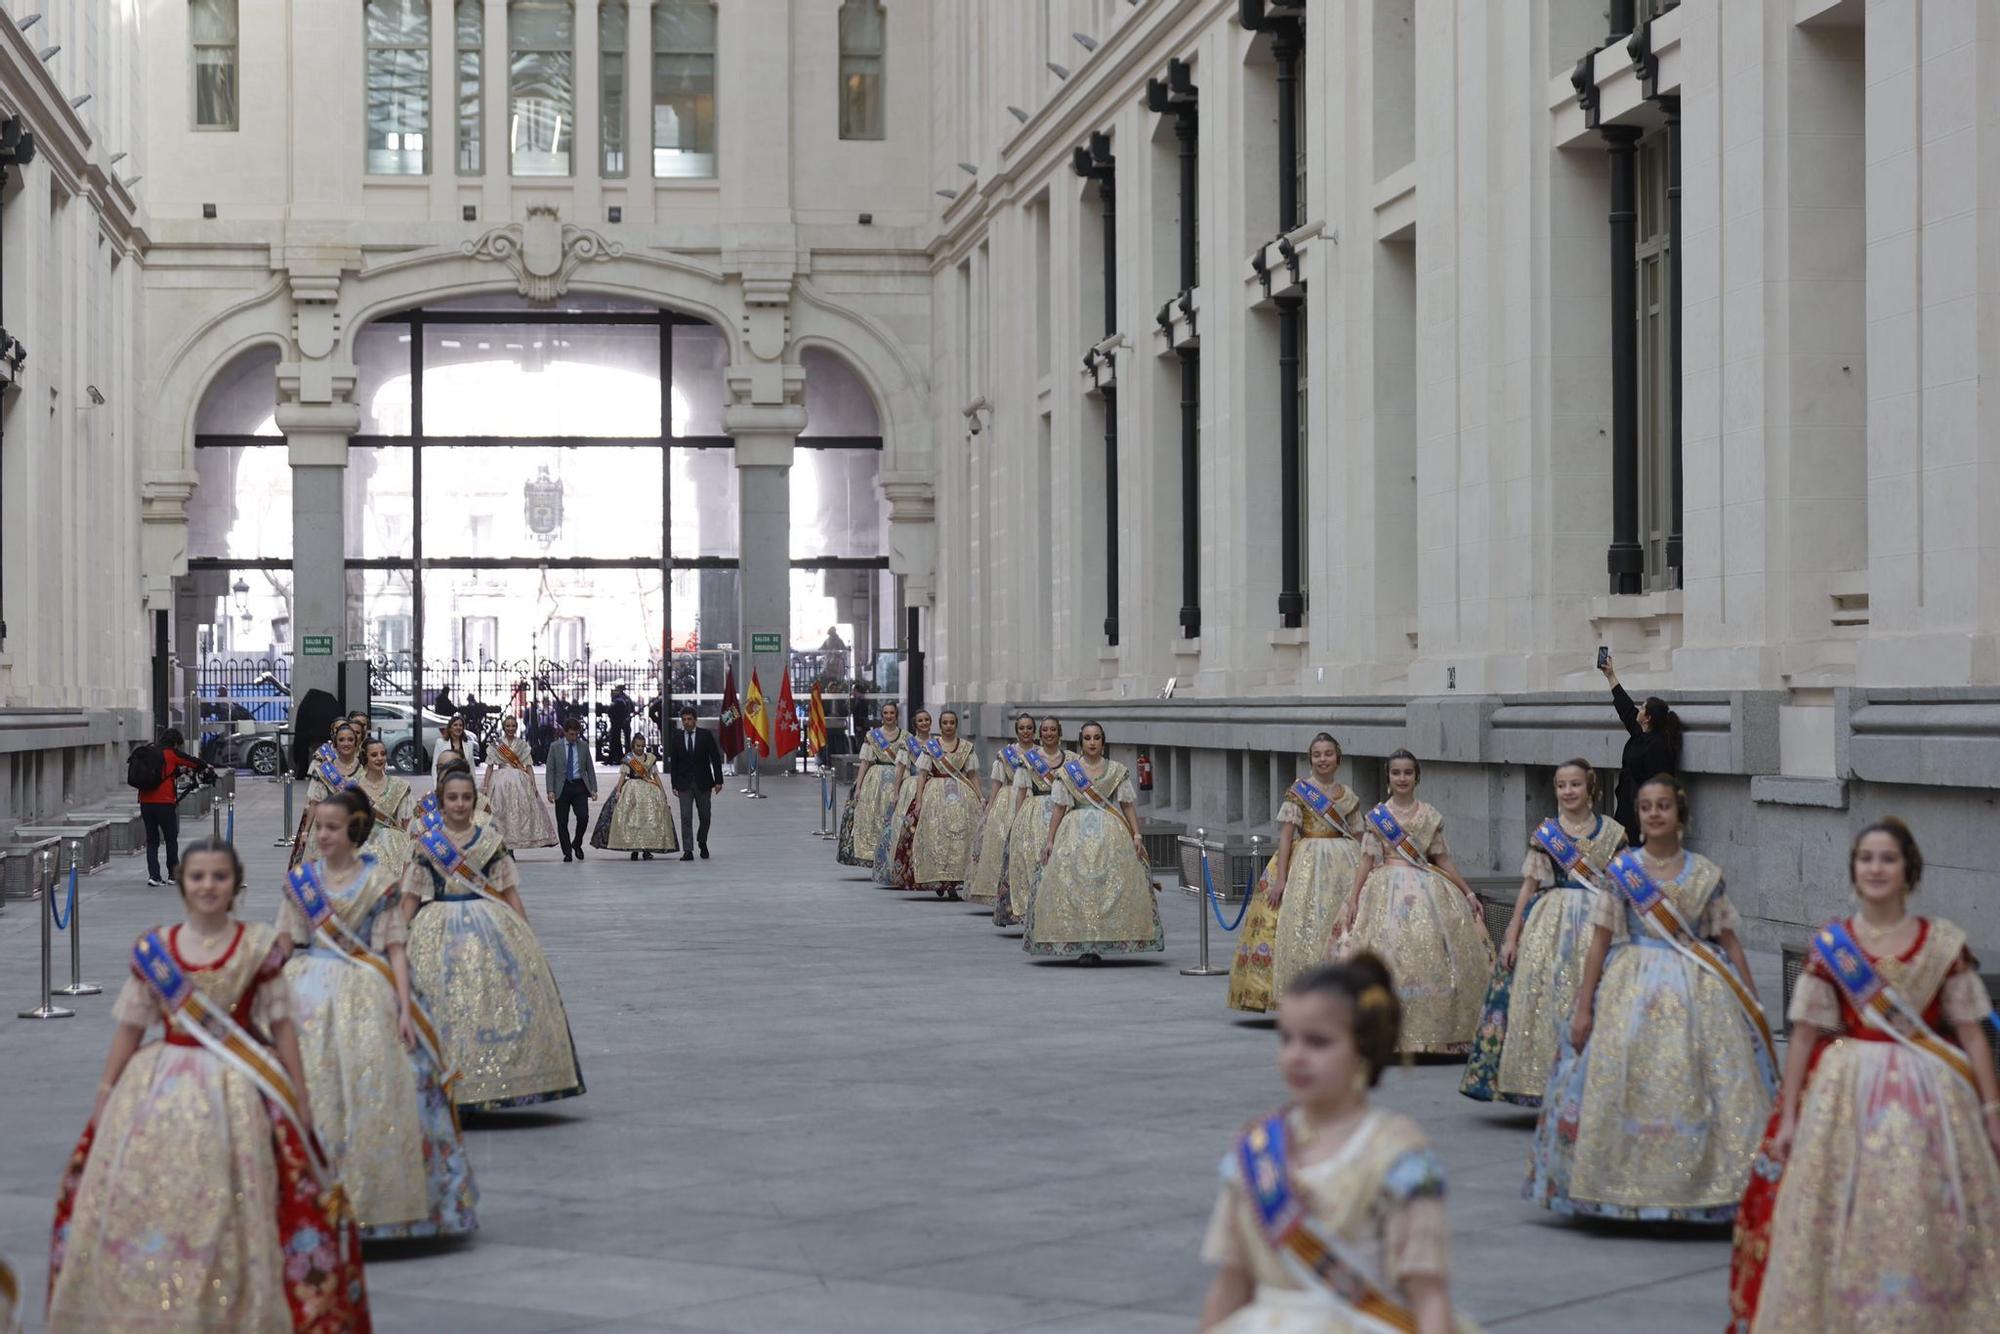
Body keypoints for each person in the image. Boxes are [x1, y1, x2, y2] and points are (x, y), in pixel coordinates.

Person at [46, 840, 370, 1331]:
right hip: (158, 1087)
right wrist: (106, 1091)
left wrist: (300, 1097)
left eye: (219, 877)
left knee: (240, 1196)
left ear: (235, 885)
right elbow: (131, 1027)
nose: (208, 886)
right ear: (182, 884)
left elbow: (282, 1028)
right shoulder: (158, 949)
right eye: (198, 877)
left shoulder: (257, 946)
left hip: (239, 1091)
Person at [1729, 819, 2000, 1331]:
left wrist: (1991, 1110)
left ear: (1908, 870)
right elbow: (1805, 1037)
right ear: (1854, 870)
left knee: (1927, 1205)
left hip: (1931, 1104)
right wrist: (1787, 1120)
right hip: (1846, 1097)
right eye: (1867, 858)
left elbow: (1970, 1034)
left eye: (1888, 859)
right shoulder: (1834, 946)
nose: (1876, 868)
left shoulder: (1941, 944)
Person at [1527, 774, 1776, 1221]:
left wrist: (1751, 1002)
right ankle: (1614, 1185)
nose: (1655, 814)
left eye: (1664, 806)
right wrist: (1584, 1007)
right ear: (1638, 816)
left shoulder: (1705, 874)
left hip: (1699, 989)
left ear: (1679, 814)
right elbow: (1600, 943)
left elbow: (1728, 939)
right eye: (1646, 807)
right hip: (1630, 984)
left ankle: (1710, 1188)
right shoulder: (1623, 873)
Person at [1198, 955, 1465, 1334]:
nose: (1296, 1056)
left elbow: (1429, 1295)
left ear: (1363, 1048)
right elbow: (1231, 1283)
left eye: (1318, 1042)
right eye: (1287, 1038)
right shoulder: (1256, 1147)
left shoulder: (1396, 1154)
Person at [279, 790, 475, 1241]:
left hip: (370, 988)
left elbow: (395, 949)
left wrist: (406, 1007)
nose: (323, 835)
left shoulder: (380, 882)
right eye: (320, 827)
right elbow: (284, 944)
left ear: (355, 829)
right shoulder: (301, 883)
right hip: (308, 992)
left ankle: (382, 1194)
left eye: (333, 827)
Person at [403, 767, 585, 1111]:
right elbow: (410, 899)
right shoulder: (428, 847)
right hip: (436, 929)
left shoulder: (490, 842)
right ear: (442, 802)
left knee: (486, 1001)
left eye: (466, 798)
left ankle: (489, 1079)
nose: (459, 804)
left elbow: (509, 892)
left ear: (475, 801)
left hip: (488, 925)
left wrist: (527, 938)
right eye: (452, 798)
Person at [1461, 759, 1627, 1107]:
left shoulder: (1612, 832)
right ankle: (1541, 1081)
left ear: (1590, 788)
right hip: (1551, 920)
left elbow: (1625, 883)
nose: (1568, 791)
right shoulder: (1547, 834)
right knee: (1544, 996)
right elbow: (1529, 885)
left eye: (1575, 784)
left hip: (1600, 919)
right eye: (1561, 785)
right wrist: (1512, 934)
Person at [1331, 751, 1494, 1054]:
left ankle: (1434, 1029)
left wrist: (1468, 892)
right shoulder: (1378, 817)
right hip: (1383, 887)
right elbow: (1366, 860)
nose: (1402, 778)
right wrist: (1353, 897)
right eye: (1396, 773)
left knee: (1430, 950)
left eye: (1408, 773)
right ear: (1388, 777)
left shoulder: (1429, 816)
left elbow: (1442, 858)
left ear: (1417, 777)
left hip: (1426, 886)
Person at [1026, 721, 1162, 962]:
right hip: (1074, 832)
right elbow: (1059, 808)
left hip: (1111, 831)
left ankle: (1107, 939)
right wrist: (1050, 840)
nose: (1092, 742)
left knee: (1110, 883)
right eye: (1087, 738)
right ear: (1081, 742)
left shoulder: (1117, 770)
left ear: (1103, 741)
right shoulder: (1069, 772)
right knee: (1075, 884)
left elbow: (1127, 805)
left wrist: (1137, 834)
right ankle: (1079, 940)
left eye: (1096, 738)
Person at [1267, 733, 1368, 1000]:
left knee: (1342, 918)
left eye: (1328, 754)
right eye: (1317, 754)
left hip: (1345, 862)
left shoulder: (1348, 795)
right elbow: (1287, 835)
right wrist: (1281, 879)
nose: (1322, 759)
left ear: (1338, 758)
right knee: (1307, 921)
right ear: (1310, 759)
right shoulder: (1300, 792)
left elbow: (1359, 834)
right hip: (1308, 860)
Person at [1597, 650, 1682, 844]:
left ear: (1648, 718)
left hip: (1644, 813)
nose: (1639, 709)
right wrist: (1610, 675)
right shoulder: (1640, 733)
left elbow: (1659, 783)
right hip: (1627, 806)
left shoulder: (1658, 745)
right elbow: (1625, 708)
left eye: (1642, 708)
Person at [1001, 716, 1071, 930]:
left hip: (1065, 813)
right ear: (1040, 734)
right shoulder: (1029, 760)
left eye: (1053, 730)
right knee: (1032, 861)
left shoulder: (1072, 760)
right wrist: (1017, 820)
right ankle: (1034, 909)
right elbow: (1021, 791)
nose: (1049, 733)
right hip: (1035, 811)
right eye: (1045, 730)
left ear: (1059, 733)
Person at [909, 709, 983, 899]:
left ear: (956, 725)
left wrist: (980, 796)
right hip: (936, 794)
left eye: (952, 723)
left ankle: (956, 881)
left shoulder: (966, 747)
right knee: (938, 835)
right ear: (940, 726)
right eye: (945, 723)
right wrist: (918, 799)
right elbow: (922, 775)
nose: (948, 726)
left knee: (961, 836)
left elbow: (972, 775)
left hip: (962, 795)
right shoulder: (931, 747)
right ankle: (940, 878)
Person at [967, 714, 1036, 914]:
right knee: (1000, 845)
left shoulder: (1040, 755)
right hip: (1007, 800)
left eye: (1029, 727)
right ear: (1016, 731)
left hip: (1033, 801)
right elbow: (996, 784)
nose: (1026, 731)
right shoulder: (1005, 754)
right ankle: (999, 893)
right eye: (1022, 728)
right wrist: (989, 808)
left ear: (1034, 730)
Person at [135, 727, 215, 888]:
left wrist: (179, 771)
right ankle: (173, 874)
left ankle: (154, 876)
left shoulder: (151, 752)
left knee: (152, 840)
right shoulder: (172, 753)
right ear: (176, 743)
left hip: (145, 802)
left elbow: (164, 773)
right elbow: (194, 762)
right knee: (171, 839)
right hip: (165, 803)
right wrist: (207, 766)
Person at [836, 701, 903, 869]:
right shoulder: (872, 736)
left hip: (899, 779)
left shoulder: (905, 736)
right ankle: (873, 856)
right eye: (885, 713)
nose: (889, 716)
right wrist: (858, 786)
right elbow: (865, 762)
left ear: (897, 715)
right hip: (875, 780)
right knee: (874, 817)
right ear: (882, 716)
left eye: (892, 713)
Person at [290, 720, 363, 870]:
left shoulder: (364, 768)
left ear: (357, 743)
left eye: (350, 740)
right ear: (335, 744)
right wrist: (305, 831)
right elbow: (315, 802)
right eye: (341, 740)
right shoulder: (325, 770)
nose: (346, 743)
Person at [591, 734, 678, 860]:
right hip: (631, 789)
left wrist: (662, 791)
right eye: (638, 746)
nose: (640, 748)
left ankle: (647, 849)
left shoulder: (650, 758)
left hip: (649, 790)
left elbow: (655, 776)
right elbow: (622, 776)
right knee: (632, 821)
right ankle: (634, 849)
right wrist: (619, 790)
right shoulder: (629, 759)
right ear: (633, 745)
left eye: (643, 746)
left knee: (649, 820)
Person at [483, 714, 559, 850]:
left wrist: (533, 784)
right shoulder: (497, 745)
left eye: (513, 726)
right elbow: (490, 767)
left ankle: (513, 843)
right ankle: (502, 843)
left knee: (517, 813)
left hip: (519, 780)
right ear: (504, 727)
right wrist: (485, 785)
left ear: (516, 727)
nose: (510, 728)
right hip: (499, 782)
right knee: (499, 813)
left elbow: (528, 766)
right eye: (508, 726)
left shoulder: (523, 745)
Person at [876, 709, 933, 888]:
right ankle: (905, 869)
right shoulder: (908, 744)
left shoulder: (936, 743)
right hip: (912, 786)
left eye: (927, 720)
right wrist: (895, 790)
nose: (924, 723)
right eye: (920, 721)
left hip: (933, 787)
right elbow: (900, 768)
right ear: (915, 724)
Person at [666, 704, 724, 861]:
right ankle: (688, 850)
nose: (686, 722)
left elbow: (715, 758)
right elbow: (675, 763)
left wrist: (718, 781)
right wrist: (674, 784)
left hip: (703, 782)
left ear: (695, 720)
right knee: (685, 816)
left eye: (689, 719)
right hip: (684, 783)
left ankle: (702, 840)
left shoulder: (705, 736)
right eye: (684, 720)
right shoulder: (677, 737)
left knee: (705, 816)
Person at [354, 736, 418, 873]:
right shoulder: (353, 785)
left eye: (383, 754)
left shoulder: (398, 785)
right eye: (374, 755)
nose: (379, 758)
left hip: (392, 843)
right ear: (365, 757)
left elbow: (407, 821)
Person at [543, 717, 596, 863]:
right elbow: (550, 770)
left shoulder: (583, 746)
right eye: (571, 734)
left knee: (583, 817)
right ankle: (567, 852)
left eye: (576, 734)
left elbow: (589, 768)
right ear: (565, 732)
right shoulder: (555, 747)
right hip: (562, 786)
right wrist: (550, 790)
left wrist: (593, 789)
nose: (574, 737)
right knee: (562, 821)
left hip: (579, 786)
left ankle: (577, 843)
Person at [435, 715, 474, 782]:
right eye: (455, 725)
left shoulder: (469, 745)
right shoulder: (440, 743)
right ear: (450, 728)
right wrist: (437, 785)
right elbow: (435, 766)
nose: (458, 727)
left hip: (464, 782)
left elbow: (472, 767)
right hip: (446, 781)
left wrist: (473, 787)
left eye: (460, 725)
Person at [607, 685, 635, 758]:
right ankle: (628, 755)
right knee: (627, 738)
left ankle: (616, 755)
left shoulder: (617, 699)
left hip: (618, 721)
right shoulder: (627, 698)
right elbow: (633, 708)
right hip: (626, 720)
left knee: (616, 737)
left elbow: (610, 710)